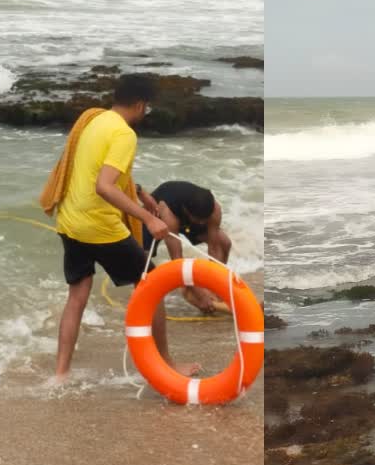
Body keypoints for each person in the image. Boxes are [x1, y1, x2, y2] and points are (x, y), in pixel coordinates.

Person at [41, 74, 198, 382]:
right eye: (147, 108)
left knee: (77, 294)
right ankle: (167, 364)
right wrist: (149, 218)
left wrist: (138, 191)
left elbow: (96, 171)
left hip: (70, 221)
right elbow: (104, 186)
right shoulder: (125, 135)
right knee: (152, 285)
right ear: (140, 105)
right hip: (99, 226)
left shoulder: (95, 121)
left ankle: (60, 373)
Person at [138, 181, 233, 314]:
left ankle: (210, 290)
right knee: (142, 258)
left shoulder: (214, 210)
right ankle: (183, 290)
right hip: (156, 213)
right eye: (199, 221)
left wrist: (214, 287)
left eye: (204, 221)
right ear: (186, 212)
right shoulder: (168, 213)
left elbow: (215, 248)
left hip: (191, 214)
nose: (202, 224)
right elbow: (177, 260)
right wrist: (199, 295)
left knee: (224, 243)